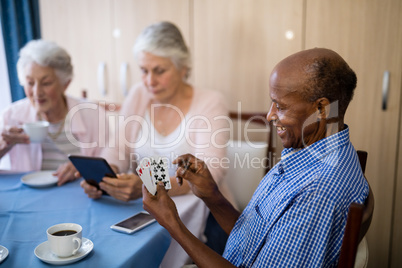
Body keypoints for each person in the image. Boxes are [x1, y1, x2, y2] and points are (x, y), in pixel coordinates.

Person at [142, 48, 370, 267]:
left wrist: (172, 223)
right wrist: (212, 196)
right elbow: (257, 240)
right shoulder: (316, 154)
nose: (270, 115)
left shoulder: (316, 193)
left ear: (322, 109)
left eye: (280, 106)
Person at [79, 21, 232, 267]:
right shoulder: (139, 94)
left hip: (205, 216)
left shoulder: (210, 102)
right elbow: (116, 150)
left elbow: (210, 173)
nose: (149, 80)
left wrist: (147, 185)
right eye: (143, 70)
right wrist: (106, 178)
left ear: (183, 67)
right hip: (148, 210)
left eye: (159, 70)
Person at [0, 40, 107, 186]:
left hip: (80, 194)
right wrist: (4, 143)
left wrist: (83, 169)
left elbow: (111, 166)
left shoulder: (93, 115)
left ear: (65, 84)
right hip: (28, 198)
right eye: (30, 83)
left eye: (46, 83)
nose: (37, 92)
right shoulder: (12, 116)